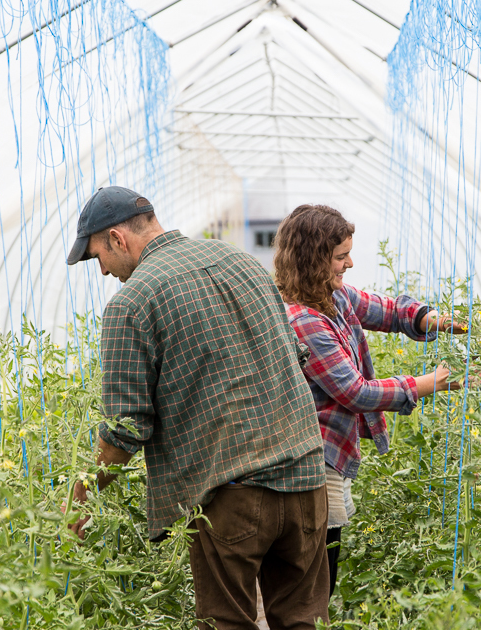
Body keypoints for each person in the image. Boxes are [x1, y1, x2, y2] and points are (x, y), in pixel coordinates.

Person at [65, 186, 330, 630]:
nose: (104, 272)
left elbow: (126, 428)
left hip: (232, 495)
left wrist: (84, 495)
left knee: (228, 623)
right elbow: (296, 355)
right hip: (306, 478)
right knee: (305, 621)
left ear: (117, 239)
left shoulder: (131, 304)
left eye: (96, 258)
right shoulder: (242, 262)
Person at [273, 204, 469, 598]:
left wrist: (434, 319)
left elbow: (389, 310)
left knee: (322, 569)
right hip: (312, 458)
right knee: (314, 579)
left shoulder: (334, 296)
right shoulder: (303, 320)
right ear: (313, 259)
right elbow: (356, 392)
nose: (349, 263)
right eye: (340, 256)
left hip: (331, 454)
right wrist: (431, 382)